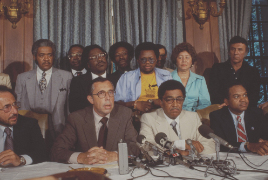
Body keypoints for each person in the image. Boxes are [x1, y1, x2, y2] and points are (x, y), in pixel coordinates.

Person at [51, 77, 139, 164]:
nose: (108, 98)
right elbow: (57, 151)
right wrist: (81, 157)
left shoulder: (124, 114)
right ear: (91, 99)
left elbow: (135, 147)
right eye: (101, 93)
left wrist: (115, 155)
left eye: (110, 92)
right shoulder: (76, 119)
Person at [15, 39, 73, 141]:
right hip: (29, 130)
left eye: (49, 55)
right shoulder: (22, 78)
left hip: (59, 130)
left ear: (53, 56)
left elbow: (69, 108)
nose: (46, 59)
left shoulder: (66, 76)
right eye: (42, 55)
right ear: (34, 57)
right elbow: (17, 106)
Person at [139, 80, 215, 155]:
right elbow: (146, 148)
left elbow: (209, 146)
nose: (175, 104)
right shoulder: (148, 118)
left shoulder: (193, 117)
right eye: (169, 100)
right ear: (161, 102)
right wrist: (179, 144)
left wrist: (188, 153)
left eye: (179, 99)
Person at [210, 83, 268, 155]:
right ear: (226, 101)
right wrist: (248, 146)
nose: (243, 100)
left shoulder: (256, 113)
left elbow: (265, 136)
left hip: (256, 156)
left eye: (245, 95)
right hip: (231, 157)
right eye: (236, 97)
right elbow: (220, 143)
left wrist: (264, 143)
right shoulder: (217, 116)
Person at [115, 42, 172, 113]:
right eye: (143, 59)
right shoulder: (127, 77)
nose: (147, 62)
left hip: (161, 114)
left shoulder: (166, 75)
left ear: (156, 59)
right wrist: (135, 104)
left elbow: (172, 98)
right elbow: (116, 103)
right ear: (138, 60)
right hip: (136, 114)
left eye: (151, 59)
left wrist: (156, 102)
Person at [0, 85, 46, 166]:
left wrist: (21, 159)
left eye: (15, 104)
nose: (15, 111)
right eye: (7, 107)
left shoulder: (29, 124)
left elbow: (43, 153)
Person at [209, 36, 260, 108]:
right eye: (233, 49)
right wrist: (229, 104)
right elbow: (213, 92)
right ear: (229, 52)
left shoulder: (253, 72)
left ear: (246, 52)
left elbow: (254, 96)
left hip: (246, 109)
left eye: (240, 50)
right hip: (224, 108)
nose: (236, 53)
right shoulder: (217, 69)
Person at [69, 44, 117, 113]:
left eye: (102, 55)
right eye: (94, 57)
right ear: (88, 64)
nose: (100, 59)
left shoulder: (116, 79)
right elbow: (75, 108)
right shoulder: (78, 82)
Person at [170, 42, 211, 112]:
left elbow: (205, 103)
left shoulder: (200, 80)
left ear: (192, 60)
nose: (184, 61)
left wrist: (193, 114)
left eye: (187, 57)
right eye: (180, 57)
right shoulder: (168, 78)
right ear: (175, 60)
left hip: (195, 116)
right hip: (173, 114)